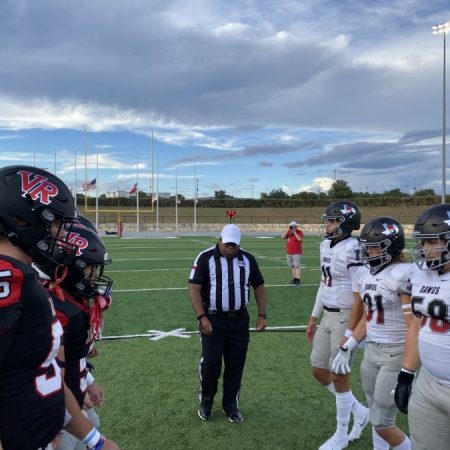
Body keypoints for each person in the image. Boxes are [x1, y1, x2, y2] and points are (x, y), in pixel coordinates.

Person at [0, 165, 119, 450]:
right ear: (24, 220)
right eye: (54, 223)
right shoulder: (9, 276)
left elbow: (46, 371)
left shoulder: (23, 275)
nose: (59, 236)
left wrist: (95, 440)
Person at [332, 217, 412, 450]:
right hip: (372, 351)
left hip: (394, 352)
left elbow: (413, 325)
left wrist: (410, 365)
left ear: (392, 246)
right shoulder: (366, 274)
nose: (368, 251)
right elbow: (370, 317)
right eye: (366, 246)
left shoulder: (402, 274)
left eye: (375, 246)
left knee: (381, 420)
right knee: (375, 408)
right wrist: (349, 345)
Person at [305, 200, 369, 450]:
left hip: (346, 315)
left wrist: (352, 332)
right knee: (319, 369)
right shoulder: (325, 245)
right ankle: (359, 411)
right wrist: (313, 316)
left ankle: (341, 433)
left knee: (339, 374)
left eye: (333, 221)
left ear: (346, 224)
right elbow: (324, 283)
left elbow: (359, 295)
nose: (328, 225)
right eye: (327, 220)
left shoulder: (353, 248)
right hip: (328, 315)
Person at [188, 224, 267, 423]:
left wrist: (262, 314)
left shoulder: (247, 259)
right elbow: (194, 288)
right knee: (211, 363)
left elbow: (258, 285)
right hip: (213, 320)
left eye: (235, 245)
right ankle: (206, 401)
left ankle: (230, 404)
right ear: (220, 240)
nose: (231, 248)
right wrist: (202, 317)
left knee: (236, 364)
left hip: (239, 320)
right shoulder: (205, 258)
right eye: (227, 244)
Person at [394, 204, 450, 450]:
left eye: (431, 242)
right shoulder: (420, 274)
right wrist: (406, 374)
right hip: (428, 381)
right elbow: (417, 324)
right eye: (423, 242)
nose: (424, 250)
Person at [282, 220, 304, 285]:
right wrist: (288, 229)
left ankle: (298, 280)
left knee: (296, 266)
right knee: (292, 266)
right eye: (291, 226)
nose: (292, 227)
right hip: (289, 252)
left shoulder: (299, 232)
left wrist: (294, 232)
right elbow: (283, 237)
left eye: (294, 226)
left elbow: (299, 239)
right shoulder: (288, 232)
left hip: (296, 252)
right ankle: (294, 279)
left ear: (296, 227)